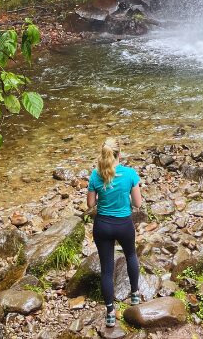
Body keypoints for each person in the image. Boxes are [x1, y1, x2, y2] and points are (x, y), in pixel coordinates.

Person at [87, 137, 143, 327]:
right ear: (120, 153)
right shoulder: (130, 174)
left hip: (102, 225)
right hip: (124, 224)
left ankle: (110, 313)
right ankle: (135, 295)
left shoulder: (96, 175)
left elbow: (90, 204)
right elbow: (138, 203)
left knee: (107, 270)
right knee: (131, 256)